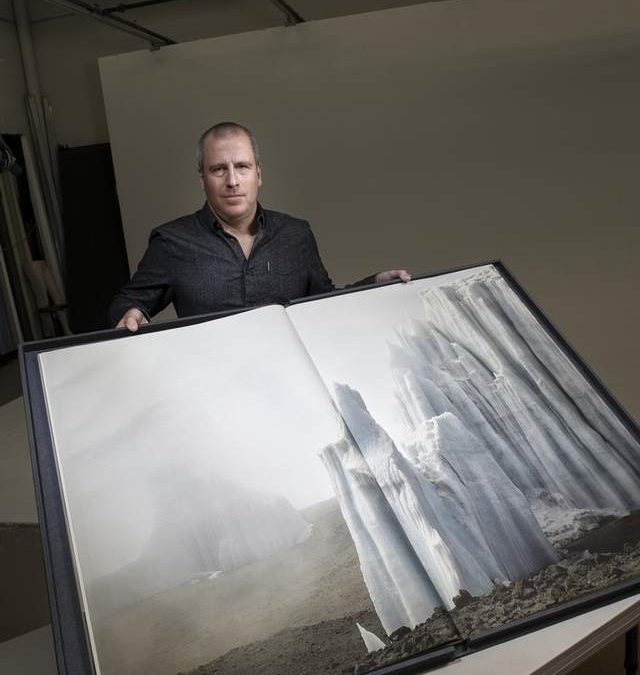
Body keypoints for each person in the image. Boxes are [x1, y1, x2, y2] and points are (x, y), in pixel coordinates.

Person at [110, 122, 410, 331]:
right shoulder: (172, 242)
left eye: (242, 166)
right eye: (218, 169)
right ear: (202, 178)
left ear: (258, 173)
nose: (232, 181)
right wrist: (130, 313)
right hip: (212, 394)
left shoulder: (295, 234)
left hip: (289, 387)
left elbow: (323, 301)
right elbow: (130, 302)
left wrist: (373, 288)